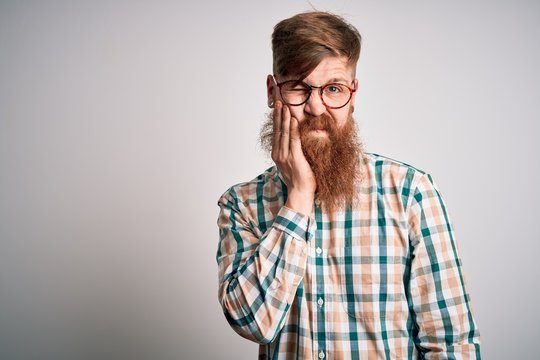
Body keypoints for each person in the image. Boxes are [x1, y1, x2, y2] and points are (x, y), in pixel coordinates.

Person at [216, 11, 481, 359]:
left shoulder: (410, 193)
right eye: (298, 87)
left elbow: (451, 345)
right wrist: (298, 197)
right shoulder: (241, 203)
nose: (316, 107)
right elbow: (252, 323)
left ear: (353, 95)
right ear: (272, 91)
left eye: (333, 89)